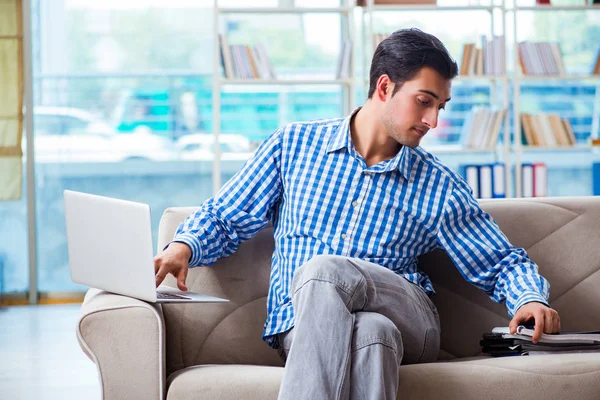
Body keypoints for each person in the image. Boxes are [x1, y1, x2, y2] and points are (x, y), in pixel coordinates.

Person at [154, 28, 560, 400]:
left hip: (410, 321)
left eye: (440, 106)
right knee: (371, 334)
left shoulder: (436, 183)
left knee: (323, 271)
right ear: (384, 87)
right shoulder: (292, 145)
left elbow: (498, 259)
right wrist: (183, 246)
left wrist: (529, 298)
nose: (433, 121)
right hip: (304, 329)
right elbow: (227, 214)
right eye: (424, 102)